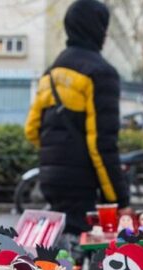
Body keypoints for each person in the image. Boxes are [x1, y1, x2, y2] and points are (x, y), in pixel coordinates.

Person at [25, 0, 130, 250]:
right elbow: (102, 144)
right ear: (96, 29)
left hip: (50, 178)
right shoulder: (100, 73)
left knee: (57, 254)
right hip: (83, 184)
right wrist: (119, 198)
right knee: (83, 256)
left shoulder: (51, 72)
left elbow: (31, 130)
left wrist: (59, 152)